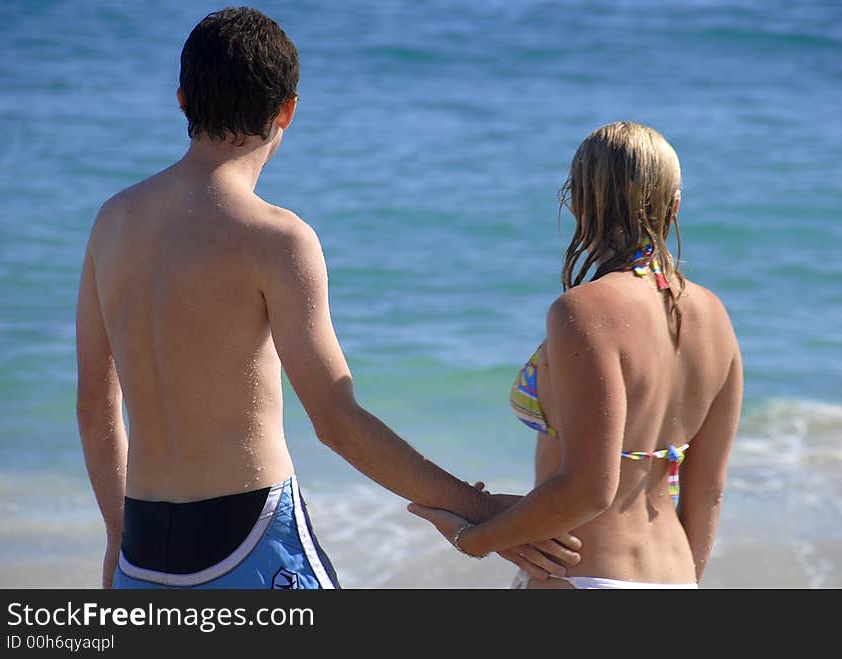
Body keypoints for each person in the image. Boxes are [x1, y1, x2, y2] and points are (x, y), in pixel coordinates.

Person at [75, 6, 580, 590]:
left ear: (183, 99)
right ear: (287, 110)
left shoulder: (111, 223)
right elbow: (337, 422)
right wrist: (482, 510)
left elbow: (95, 406)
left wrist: (117, 538)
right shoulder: (277, 239)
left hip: (143, 551)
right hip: (249, 541)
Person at [409, 121, 743, 589]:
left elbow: (589, 490)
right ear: (675, 206)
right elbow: (708, 491)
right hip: (677, 576)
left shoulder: (583, 312)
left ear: (580, 201)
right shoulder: (715, 318)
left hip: (583, 575)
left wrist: (474, 538)